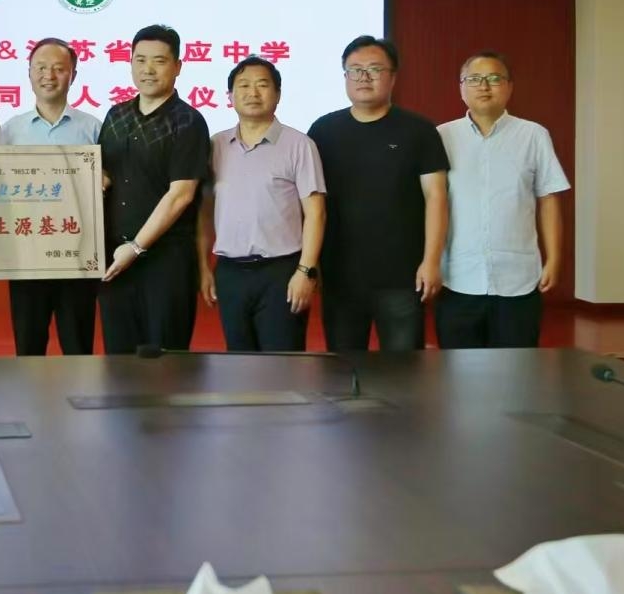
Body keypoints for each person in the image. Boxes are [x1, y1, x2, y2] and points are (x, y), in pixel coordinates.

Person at [308, 35, 448, 352]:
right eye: (355, 70)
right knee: (343, 369)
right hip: (340, 275)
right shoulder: (323, 131)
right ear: (345, 76)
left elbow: (436, 198)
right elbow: (311, 204)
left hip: (402, 276)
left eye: (374, 69)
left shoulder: (419, 131)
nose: (364, 77)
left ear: (393, 77)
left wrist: (431, 261)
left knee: (404, 370)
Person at [437, 52, 570, 348]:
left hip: (518, 280)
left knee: (517, 369)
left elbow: (549, 200)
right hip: (458, 278)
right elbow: (432, 205)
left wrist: (554, 259)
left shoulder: (534, 135)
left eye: (494, 78)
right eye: (474, 79)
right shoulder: (441, 136)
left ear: (509, 87)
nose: (484, 86)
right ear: (461, 88)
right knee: (457, 370)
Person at [198, 56, 326, 352]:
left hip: (281, 272)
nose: (252, 92)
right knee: (239, 363)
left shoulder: (299, 145)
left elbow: (316, 213)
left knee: (283, 364)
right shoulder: (215, 145)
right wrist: (204, 267)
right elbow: (204, 213)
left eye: (262, 85)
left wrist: (306, 271)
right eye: (243, 85)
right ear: (230, 96)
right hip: (230, 272)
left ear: (277, 94)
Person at [98, 24, 211, 354]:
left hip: (165, 262)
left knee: (165, 362)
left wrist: (135, 248)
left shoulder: (188, 122)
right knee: (118, 361)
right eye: (140, 60)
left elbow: (180, 195)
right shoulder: (116, 115)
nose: (148, 69)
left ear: (178, 66)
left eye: (159, 61)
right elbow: (103, 174)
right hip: (114, 258)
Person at [0, 37, 102, 355]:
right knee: (28, 349)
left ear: (73, 75)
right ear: (29, 73)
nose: (49, 75)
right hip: (27, 256)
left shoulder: (93, 129)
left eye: (59, 68)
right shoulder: (9, 131)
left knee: (78, 349)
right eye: (41, 68)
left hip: (77, 257)